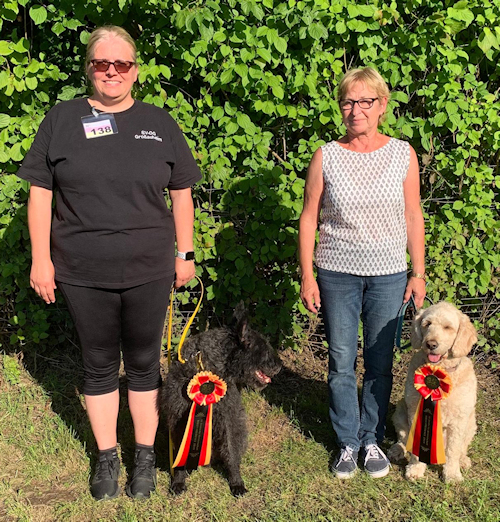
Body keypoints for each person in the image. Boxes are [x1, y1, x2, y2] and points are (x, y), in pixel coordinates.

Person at [16, 26, 201, 500]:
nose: (112, 72)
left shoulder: (159, 122)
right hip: (81, 269)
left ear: (135, 70)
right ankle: (105, 458)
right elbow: (40, 193)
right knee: (98, 365)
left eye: (122, 64)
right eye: (102, 64)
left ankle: (142, 455)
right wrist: (42, 259)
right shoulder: (61, 119)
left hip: (149, 268)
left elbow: (181, 192)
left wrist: (186, 252)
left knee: (143, 364)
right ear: (89, 68)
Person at [298, 67, 425, 479]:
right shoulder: (326, 155)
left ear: (382, 106)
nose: (355, 111)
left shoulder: (403, 155)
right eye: (348, 102)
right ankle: (347, 442)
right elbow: (308, 218)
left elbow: (413, 215)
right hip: (337, 274)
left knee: (379, 361)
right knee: (340, 360)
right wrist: (307, 275)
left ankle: (371, 438)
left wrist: (417, 272)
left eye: (365, 101)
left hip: (389, 275)